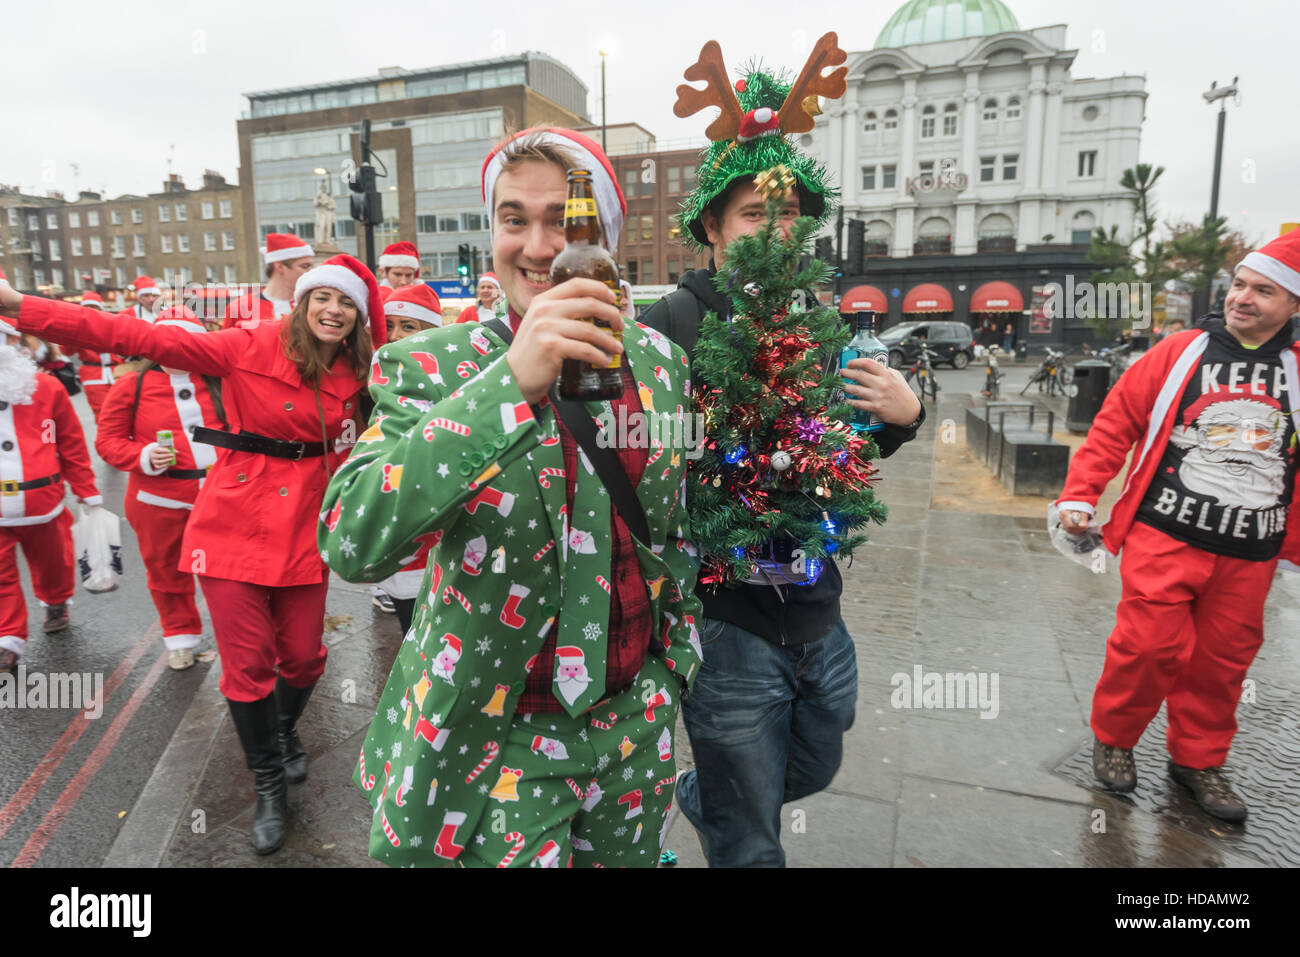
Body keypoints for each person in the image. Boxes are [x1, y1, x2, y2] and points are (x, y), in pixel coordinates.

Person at [319, 127, 702, 868]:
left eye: (561, 219)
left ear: (600, 238)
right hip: (499, 741)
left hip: (635, 725)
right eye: (513, 218)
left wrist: (673, 665)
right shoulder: (431, 366)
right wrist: (509, 385)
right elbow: (352, 536)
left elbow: (672, 529)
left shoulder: (662, 365)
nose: (535, 245)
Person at [640, 45, 925, 867]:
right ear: (714, 230)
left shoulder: (817, 320)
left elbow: (839, 441)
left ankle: (709, 799)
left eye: (792, 215)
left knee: (819, 753)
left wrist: (904, 418)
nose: (779, 230)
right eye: (758, 216)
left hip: (816, 595)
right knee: (753, 840)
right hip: (724, 615)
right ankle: (729, 816)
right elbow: (631, 449)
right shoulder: (669, 324)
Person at [0, 253, 385, 854]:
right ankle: (267, 785)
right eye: (322, 298)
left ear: (359, 316)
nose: (333, 310)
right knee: (248, 664)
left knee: (306, 658)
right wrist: (19, 307)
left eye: (346, 303)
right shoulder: (245, 345)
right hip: (235, 520)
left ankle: (283, 735)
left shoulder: (361, 369)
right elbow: (127, 333)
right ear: (304, 302)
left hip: (306, 525)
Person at [1056, 229, 1300, 821]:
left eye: (1262, 290)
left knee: (1223, 662)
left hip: (1250, 552)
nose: (1242, 297)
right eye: (1239, 284)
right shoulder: (1180, 351)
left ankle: (1198, 761)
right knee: (1146, 647)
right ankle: (1114, 740)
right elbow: (1116, 422)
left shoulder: (1296, 369)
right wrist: (1080, 493)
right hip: (1165, 535)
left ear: (1293, 304)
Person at [93, 306, 229, 671]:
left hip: (221, 496)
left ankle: (240, 637)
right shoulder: (131, 386)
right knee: (167, 573)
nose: (174, 352)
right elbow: (107, 441)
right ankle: (181, 637)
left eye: (183, 344)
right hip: (157, 500)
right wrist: (142, 455)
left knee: (230, 573)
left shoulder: (221, 379)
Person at [0, 317, 103, 674]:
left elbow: (72, 443)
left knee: (54, 563)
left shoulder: (46, 388)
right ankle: (7, 641)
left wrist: (86, 490)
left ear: (13, 341)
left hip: (44, 502)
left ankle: (56, 601)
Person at [373, 282, 445, 634]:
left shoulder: (455, 378)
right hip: (401, 526)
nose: (394, 335)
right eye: (388, 325)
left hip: (446, 524)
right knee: (411, 631)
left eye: (408, 326)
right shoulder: (371, 379)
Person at [222, 233, 314, 329]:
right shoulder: (240, 307)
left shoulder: (309, 306)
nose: (310, 272)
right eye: (305, 266)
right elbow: (225, 343)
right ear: (280, 267)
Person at [74, 291, 119, 418]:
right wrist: (76, 331)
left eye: (94, 308)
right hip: (94, 374)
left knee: (123, 411)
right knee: (103, 414)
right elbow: (66, 351)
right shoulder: (78, 327)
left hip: (116, 372)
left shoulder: (111, 324)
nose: (91, 311)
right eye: (87, 307)